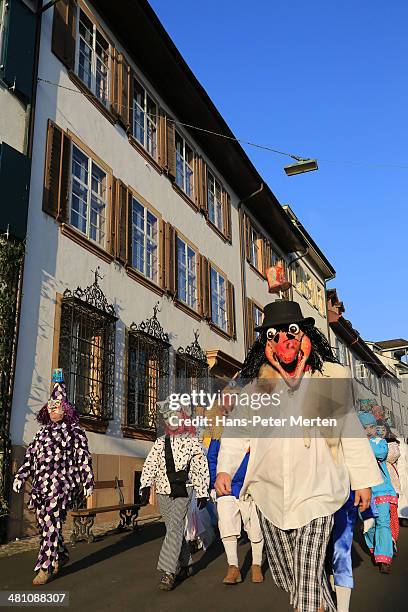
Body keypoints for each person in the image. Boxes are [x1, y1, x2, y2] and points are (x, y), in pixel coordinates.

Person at [215, 300, 382, 612]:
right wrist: (225, 469)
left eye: (291, 333)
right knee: (287, 576)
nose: (284, 342)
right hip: (269, 494)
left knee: (306, 575)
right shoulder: (257, 390)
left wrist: (362, 481)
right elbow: (237, 433)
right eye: (273, 336)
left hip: (317, 491)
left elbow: (349, 430)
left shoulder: (326, 382)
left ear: (306, 336)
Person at [12, 369, 94, 585]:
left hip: (60, 485)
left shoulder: (75, 432)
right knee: (44, 522)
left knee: (51, 521)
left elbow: (83, 457)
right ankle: (62, 553)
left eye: (56, 407)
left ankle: (46, 566)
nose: (52, 410)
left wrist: (87, 480)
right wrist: (21, 475)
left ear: (65, 409)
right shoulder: (41, 433)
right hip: (40, 486)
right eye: (49, 407)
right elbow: (30, 458)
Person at [139, 400, 210, 591]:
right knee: (173, 528)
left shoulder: (192, 441)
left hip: (183, 490)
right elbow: (150, 464)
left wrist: (202, 491)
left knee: (175, 527)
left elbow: (200, 467)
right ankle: (186, 564)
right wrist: (145, 486)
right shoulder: (160, 442)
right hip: (163, 490)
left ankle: (168, 572)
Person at [207, 397, 264, 585]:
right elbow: (212, 458)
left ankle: (256, 564)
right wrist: (214, 480)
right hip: (227, 487)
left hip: (252, 485)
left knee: (255, 525)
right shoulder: (218, 433)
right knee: (227, 524)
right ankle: (233, 567)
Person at [358, 412, 397, 573]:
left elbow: (380, 453)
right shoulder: (354, 445)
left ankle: (384, 558)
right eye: (364, 428)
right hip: (361, 490)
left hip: (381, 489)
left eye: (371, 427)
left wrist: (362, 444)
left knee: (383, 523)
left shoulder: (380, 442)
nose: (368, 431)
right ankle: (376, 547)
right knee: (369, 525)